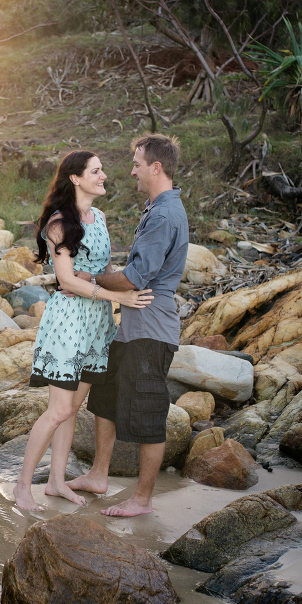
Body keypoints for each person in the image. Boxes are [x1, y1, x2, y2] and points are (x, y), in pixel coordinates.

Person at [13, 150, 153, 513]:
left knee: (73, 408)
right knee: (59, 410)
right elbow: (66, 280)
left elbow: (102, 268)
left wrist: (124, 285)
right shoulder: (59, 223)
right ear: (75, 178)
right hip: (69, 322)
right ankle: (23, 486)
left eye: (102, 170)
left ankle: (57, 482)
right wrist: (119, 297)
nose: (104, 175)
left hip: (97, 324)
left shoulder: (100, 217)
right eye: (96, 171)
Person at [70, 133, 189, 517]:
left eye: (137, 164)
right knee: (104, 398)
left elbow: (137, 278)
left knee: (148, 412)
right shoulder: (156, 209)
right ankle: (99, 475)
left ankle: (142, 499)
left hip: (152, 331)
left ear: (156, 168)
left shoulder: (165, 214)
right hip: (131, 329)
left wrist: (91, 278)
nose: (132, 170)